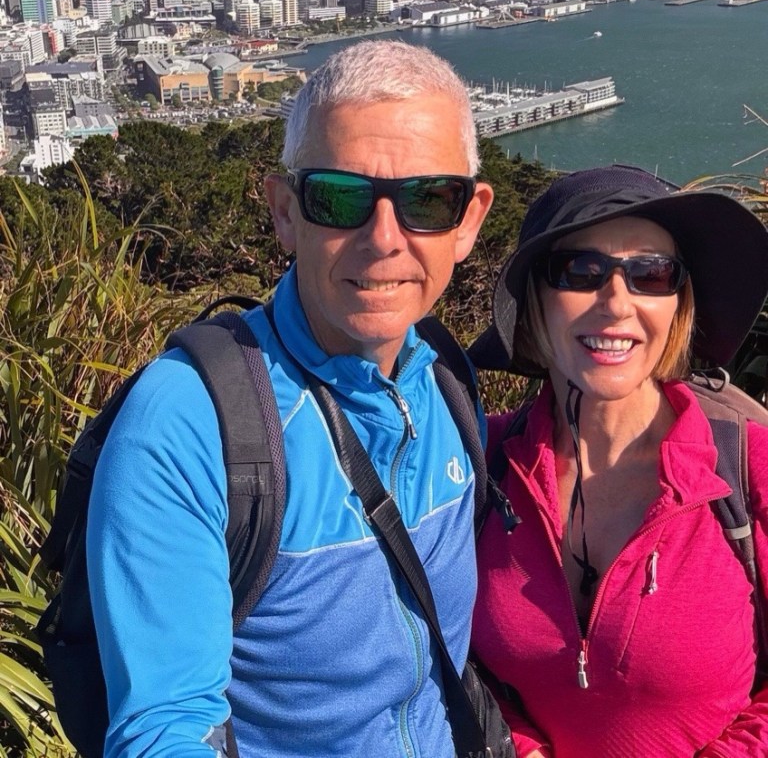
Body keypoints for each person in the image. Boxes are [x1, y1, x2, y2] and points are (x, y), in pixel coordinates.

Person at [86, 40, 494, 758]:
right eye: (340, 198)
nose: (384, 239)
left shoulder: (447, 386)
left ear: (469, 221)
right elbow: (164, 728)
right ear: (284, 211)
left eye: (429, 200)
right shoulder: (190, 423)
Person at [468, 164, 768, 758]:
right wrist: (518, 746)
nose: (616, 303)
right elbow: (444, 649)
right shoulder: (481, 464)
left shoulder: (746, 467)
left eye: (651, 274)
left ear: (678, 303)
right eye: (581, 271)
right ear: (535, 299)